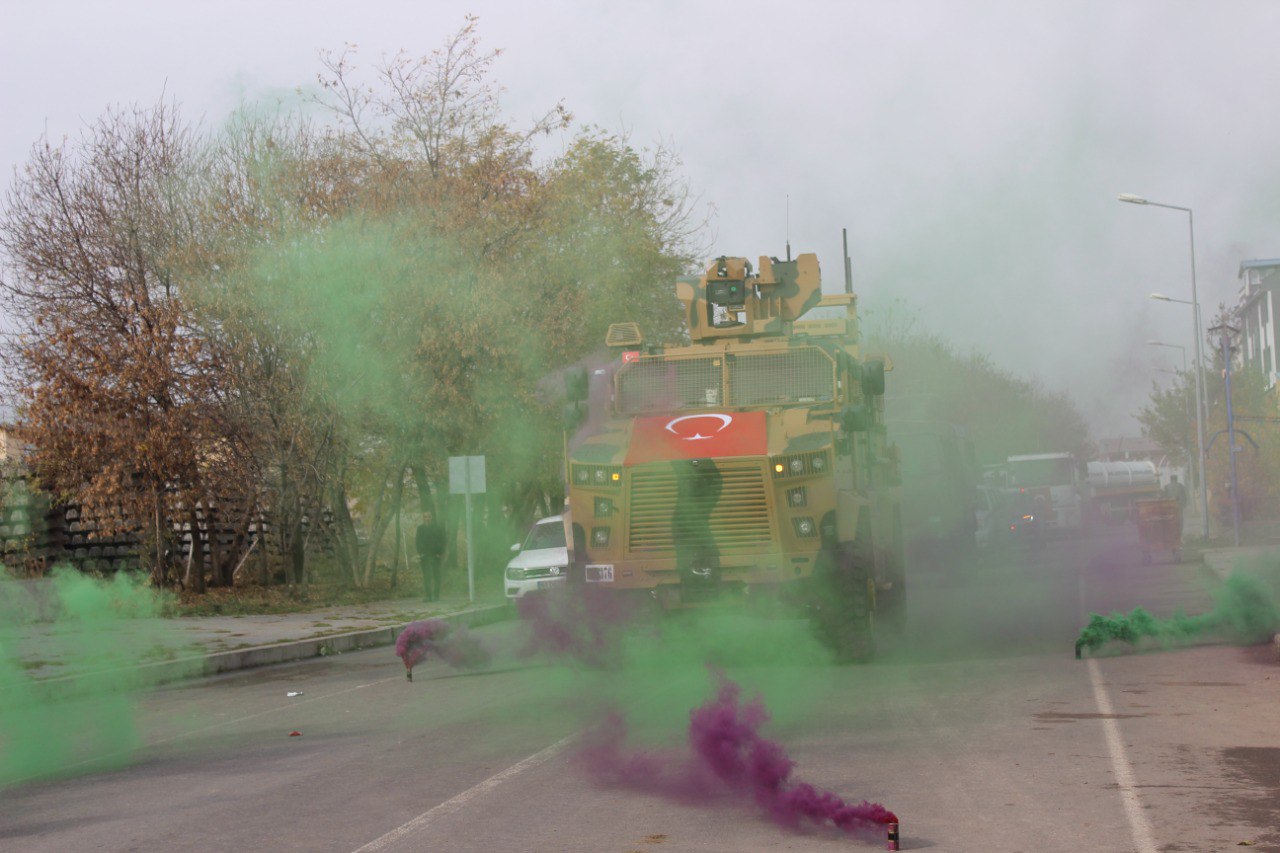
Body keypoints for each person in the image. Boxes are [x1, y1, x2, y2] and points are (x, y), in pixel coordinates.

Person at [415, 510, 446, 603]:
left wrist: (439, 553)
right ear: (423, 518)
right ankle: (428, 596)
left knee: (436, 576)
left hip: (435, 555)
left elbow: (442, 541)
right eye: (425, 517)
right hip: (425, 555)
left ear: (431, 518)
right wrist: (420, 552)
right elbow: (417, 541)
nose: (427, 518)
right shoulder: (420, 528)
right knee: (426, 576)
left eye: (429, 516)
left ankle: (436, 596)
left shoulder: (437, 528)